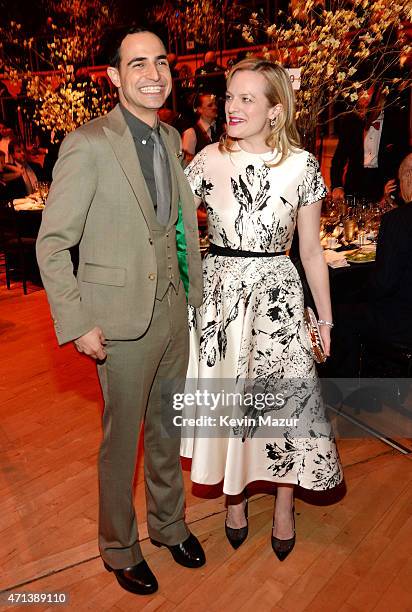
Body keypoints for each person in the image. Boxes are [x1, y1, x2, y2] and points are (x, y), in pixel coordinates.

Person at [36, 29, 205, 597]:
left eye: (161, 61)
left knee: (166, 430)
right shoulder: (88, 143)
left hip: (172, 310)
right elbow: (52, 244)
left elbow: (173, 227)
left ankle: (169, 524)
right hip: (117, 321)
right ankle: (118, 545)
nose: (154, 73)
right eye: (138, 64)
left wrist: (193, 298)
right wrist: (78, 320)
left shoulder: (170, 140)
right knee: (122, 439)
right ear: (114, 76)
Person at [181, 58, 343, 560]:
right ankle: (234, 499)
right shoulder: (207, 160)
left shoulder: (302, 165)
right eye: (230, 97)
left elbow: (312, 251)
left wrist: (325, 317)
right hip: (220, 300)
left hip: (278, 296)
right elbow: (176, 232)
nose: (232, 107)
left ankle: (284, 505)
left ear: (275, 111)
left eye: (247, 98)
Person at [329, 153, 412, 378]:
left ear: (406, 178)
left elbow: (383, 284)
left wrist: (355, 293)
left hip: (402, 321)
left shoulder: (398, 221)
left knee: (339, 313)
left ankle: (345, 388)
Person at [330, 83, 409, 202]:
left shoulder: (394, 120)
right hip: (354, 188)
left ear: (379, 94)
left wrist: (393, 192)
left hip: (383, 190)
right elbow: (338, 159)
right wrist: (337, 186)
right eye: (360, 91)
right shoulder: (350, 120)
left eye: (368, 92)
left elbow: (402, 161)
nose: (363, 96)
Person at [181, 92, 220, 164]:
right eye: (210, 105)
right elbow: (185, 163)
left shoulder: (224, 128)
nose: (215, 107)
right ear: (199, 109)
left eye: (215, 104)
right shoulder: (191, 133)